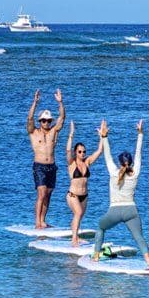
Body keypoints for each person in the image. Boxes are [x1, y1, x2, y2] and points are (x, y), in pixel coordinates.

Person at [91, 120, 149, 266]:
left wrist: (104, 137)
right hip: (131, 210)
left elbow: (107, 155)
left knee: (101, 227)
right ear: (130, 163)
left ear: (120, 163)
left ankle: (95, 257)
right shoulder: (135, 173)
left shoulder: (114, 172)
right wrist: (140, 133)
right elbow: (138, 153)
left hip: (115, 211)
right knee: (139, 237)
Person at [27, 89, 65, 228]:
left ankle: (43, 220)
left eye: (48, 121)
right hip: (39, 166)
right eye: (43, 121)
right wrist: (35, 102)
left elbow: (62, 118)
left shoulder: (53, 132)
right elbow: (29, 119)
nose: (46, 123)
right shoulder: (34, 132)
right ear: (40, 121)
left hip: (52, 167)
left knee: (48, 195)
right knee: (41, 193)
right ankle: (37, 222)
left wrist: (60, 103)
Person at [65, 120, 105, 245]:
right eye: (80, 152)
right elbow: (67, 150)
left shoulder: (87, 162)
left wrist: (102, 136)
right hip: (73, 195)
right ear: (75, 152)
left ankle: (75, 236)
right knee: (78, 213)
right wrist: (71, 134)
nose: (82, 154)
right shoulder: (72, 163)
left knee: (79, 216)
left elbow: (99, 151)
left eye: (84, 152)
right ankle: (74, 240)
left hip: (84, 196)